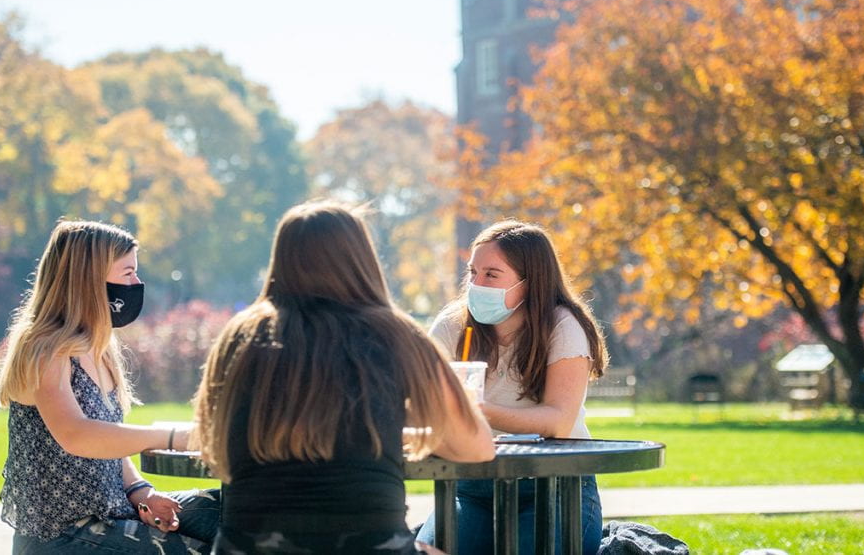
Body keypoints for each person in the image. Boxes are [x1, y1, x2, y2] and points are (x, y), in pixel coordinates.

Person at [191, 201, 495, 555]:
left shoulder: (240, 336)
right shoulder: (397, 333)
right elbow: (477, 447)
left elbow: (213, 442)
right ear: (361, 258)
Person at [0, 220, 220, 554]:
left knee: (235, 511)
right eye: (127, 273)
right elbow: (78, 436)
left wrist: (142, 494)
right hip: (63, 533)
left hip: (114, 510)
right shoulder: (45, 347)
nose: (136, 283)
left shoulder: (98, 346)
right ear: (89, 278)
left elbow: (107, 441)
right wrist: (172, 437)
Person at [417, 219, 609, 555]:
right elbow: (421, 400)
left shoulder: (563, 326)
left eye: (491, 275)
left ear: (530, 281)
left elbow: (558, 422)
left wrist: (475, 410)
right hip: (470, 485)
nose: (476, 284)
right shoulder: (452, 325)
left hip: (555, 485)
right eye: (472, 272)